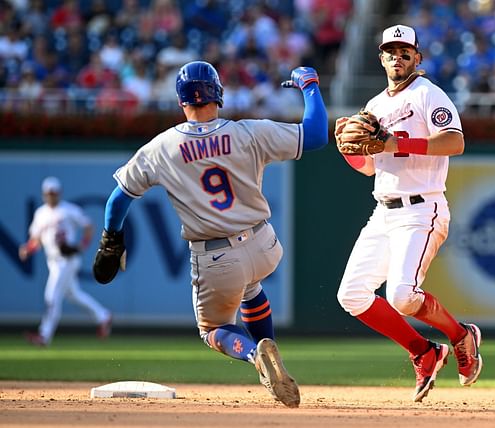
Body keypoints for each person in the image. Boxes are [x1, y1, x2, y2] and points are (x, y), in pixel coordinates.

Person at [92, 61, 327, 408]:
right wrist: (309, 85)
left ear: (180, 101)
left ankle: (254, 355)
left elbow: (119, 198)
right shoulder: (249, 132)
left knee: (213, 328)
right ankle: (273, 360)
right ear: (218, 93)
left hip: (216, 256)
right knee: (250, 287)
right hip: (264, 244)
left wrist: (112, 239)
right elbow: (317, 134)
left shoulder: (161, 147)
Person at [334, 24, 483, 402]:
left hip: (422, 208)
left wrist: (395, 142)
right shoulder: (374, 106)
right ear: (381, 57)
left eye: (405, 51)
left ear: (418, 57)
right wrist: (351, 152)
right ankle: (424, 351)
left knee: (401, 295)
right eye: (390, 51)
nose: (397, 57)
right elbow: (370, 167)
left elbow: (455, 141)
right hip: (383, 210)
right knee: (351, 295)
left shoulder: (428, 94)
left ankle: (461, 335)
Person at [19, 176, 113, 347]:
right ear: (44, 194)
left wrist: (81, 246)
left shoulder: (68, 210)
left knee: (52, 296)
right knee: (73, 295)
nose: (51, 196)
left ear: (59, 193)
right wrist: (28, 249)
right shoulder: (40, 214)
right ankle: (103, 316)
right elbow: (36, 240)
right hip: (53, 260)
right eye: (49, 193)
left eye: (54, 193)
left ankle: (44, 335)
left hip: (67, 260)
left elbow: (88, 226)